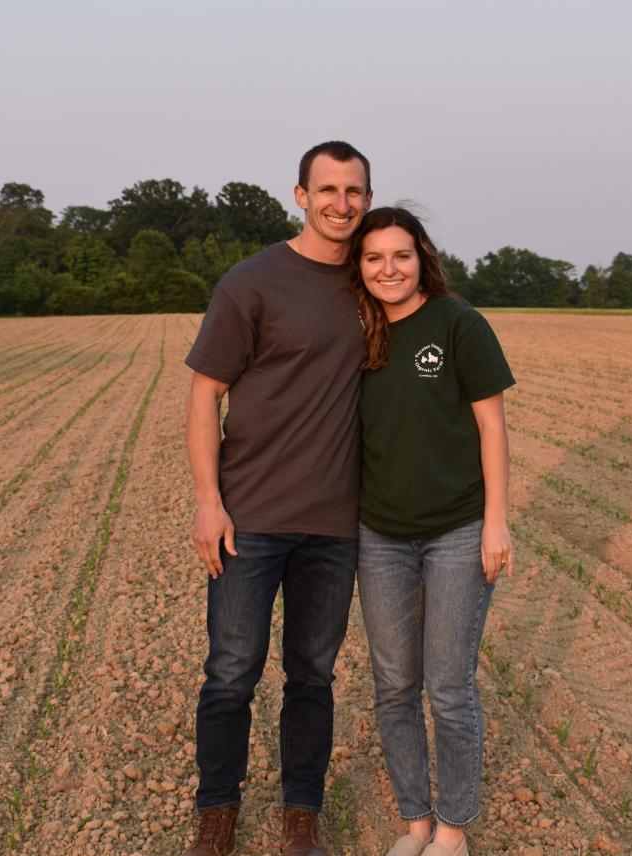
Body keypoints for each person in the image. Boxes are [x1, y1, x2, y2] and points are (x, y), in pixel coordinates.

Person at [183, 141, 373, 856]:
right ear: (300, 195)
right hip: (250, 519)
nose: (342, 204)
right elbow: (205, 394)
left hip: (336, 523)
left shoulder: (373, 282)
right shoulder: (252, 282)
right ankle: (217, 813)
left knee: (313, 676)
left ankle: (302, 816)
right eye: (327, 189)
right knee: (231, 672)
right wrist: (209, 501)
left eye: (354, 191)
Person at [348, 207, 515, 856]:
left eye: (401, 255)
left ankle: (451, 830)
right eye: (374, 257)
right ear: (359, 268)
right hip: (379, 536)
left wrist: (495, 522)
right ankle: (415, 820)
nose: (389, 268)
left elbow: (492, 428)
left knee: (448, 687)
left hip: (456, 531)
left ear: (423, 259)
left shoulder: (458, 325)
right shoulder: (356, 335)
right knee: (394, 687)